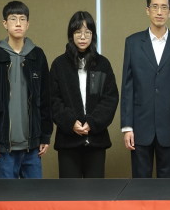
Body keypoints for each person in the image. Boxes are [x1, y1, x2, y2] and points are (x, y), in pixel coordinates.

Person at [120, 0, 170, 178]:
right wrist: (127, 127)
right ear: (147, 10)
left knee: (167, 186)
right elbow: (128, 87)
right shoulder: (133, 43)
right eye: (155, 7)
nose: (159, 12)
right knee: (140, 183)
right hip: (140, 127)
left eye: (164, 7)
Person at [0, 0, 52, 179]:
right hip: (4, 148)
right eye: (13, 19)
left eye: (22, 19)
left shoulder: (37, 56)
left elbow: (46, 98)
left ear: (28, 24)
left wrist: (45, 136)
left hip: (32, 147)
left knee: (34, 196)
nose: (18, 23)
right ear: (5, 23)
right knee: (5, 196)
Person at [50, 11, 119, 178]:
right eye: (78, 32)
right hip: (68, 142)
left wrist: (92, 123)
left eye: (87, 32)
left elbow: (110, 99)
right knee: (70, 191)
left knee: (95, 192)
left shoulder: (102, 64)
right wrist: (70, 122)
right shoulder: (59, 65)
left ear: (93, 35)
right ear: (71, 35)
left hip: (96, 141)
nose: (82, 37)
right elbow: (53, 100)